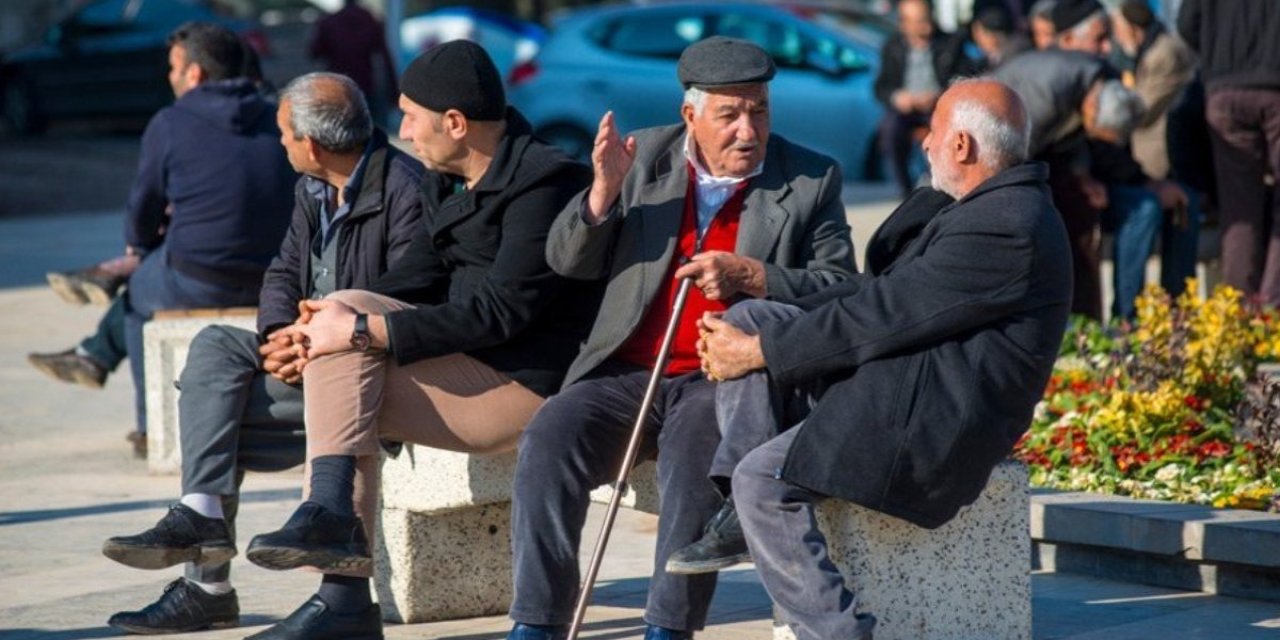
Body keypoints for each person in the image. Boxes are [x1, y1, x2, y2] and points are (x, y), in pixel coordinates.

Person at [239, 40, 598, 640]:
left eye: (410, 115)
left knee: (348, 346)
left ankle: (343, 594)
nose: (400, 128)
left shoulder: (545, 185)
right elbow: (416, 277)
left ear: (455, 123)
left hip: (523, 387)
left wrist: (358, 328)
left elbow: (499, 313)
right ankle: (335, 554)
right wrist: (319, 321)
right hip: (462, 367)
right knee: (340, 335)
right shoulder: (447, 178)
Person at [692, 78, 1072, 639]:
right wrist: (761, 305)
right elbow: (877, 292)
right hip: (903, 378)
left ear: (962, 145)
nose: (925, 144)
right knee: (749, 316)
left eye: (935, 131)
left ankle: (838, 630)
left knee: (761, 481)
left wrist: (761, 355)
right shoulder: (983, 206)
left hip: (932, 418)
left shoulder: (1010, 223)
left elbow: (887, 312)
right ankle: (736, 524)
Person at [505, 36, 857, 640]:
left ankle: (669, 628)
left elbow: (841, 288)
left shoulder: (809, 178)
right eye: (730, 113)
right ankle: (535, 623)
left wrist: (753, 275)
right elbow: (566, 260)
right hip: (627, 370)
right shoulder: (642, 159)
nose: (749, 130)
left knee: (694, 456)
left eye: (760, 110)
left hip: (721, 375)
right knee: (549, 438)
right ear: (690, 115)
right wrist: (601, 195)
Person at [98, 72, 424, 635]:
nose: (279, 143)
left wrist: (320, 341)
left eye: (283, 134)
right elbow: (281, 271)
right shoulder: (313, 189)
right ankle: (201, 516)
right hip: (307, 355)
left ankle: (208, 588)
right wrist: (278, 334)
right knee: (215, 348)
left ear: (312, 144)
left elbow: (407, 297)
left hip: (366, 371)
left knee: (212, 416)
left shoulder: (405, 189)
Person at [28, 23, 296, 453]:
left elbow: (142, 208)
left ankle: (150, 424)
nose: (168, 76)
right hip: (275, 273)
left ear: (195, 74)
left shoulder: (171, 122)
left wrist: (138, 247)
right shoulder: (276, 116)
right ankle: (94, 350)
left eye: (173, 67)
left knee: (136, 296)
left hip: (198, 276)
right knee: (159, 259)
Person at [1178, 0, 1280, 305]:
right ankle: (1274, 305)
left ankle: (1239, 309)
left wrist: (1217, 52)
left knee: (1238, 206)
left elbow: (1187, 24)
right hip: (1276, 84)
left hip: (1223, 87)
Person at [1111, 0, 1201, 299]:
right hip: (1158, 162)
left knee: (1176, 239)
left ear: (1133, 29)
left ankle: (1173, 314)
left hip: (1168, 163)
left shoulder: (1165, 53)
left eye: (1117, 30)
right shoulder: (1152, 50)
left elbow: (1139, 110)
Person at [874, 0, 972, 198]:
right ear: (904, 24)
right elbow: (881, 86)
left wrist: (939, 96)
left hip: (938, 106)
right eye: (918, 21)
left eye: (927, 19)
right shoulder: (892, 47)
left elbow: (965, 78)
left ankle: (944, 189)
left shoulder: (951, 43)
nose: (925, 25)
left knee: (943, 135)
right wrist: (897, 97)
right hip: (906, 109)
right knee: (891, 130)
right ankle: (904, 190)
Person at [309, 0, 398, 125]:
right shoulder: (369, 20)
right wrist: (393, 92)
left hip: (338, 83)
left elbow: (314, 52)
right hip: (364, 83)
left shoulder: (330, 21)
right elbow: (385, 58)